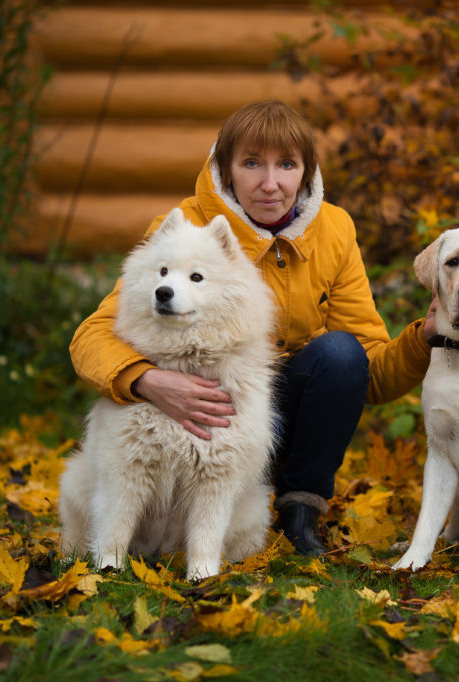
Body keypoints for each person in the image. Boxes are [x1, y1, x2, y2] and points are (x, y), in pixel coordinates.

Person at [70, 100, 437, 556]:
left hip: (276, 405)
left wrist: (423, 339)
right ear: (225, 170)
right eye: (251, 163)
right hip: (193, 402)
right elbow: (93, 336)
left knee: (340, 354)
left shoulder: (334, 230)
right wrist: (146, 379)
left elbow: (369, 369)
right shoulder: (187, 225)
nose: (270, 184)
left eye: (286, 165)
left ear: (305, 172)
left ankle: (299, 510)